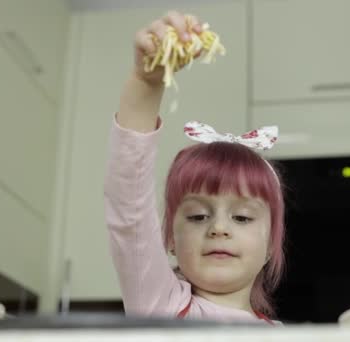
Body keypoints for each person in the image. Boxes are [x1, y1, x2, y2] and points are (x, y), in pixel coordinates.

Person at [104, 10, 286, 325]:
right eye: (198, 215)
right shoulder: (162, 306)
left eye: (242, 217)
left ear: (271, 245)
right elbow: (128, 206)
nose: (219, 228)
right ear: (170, 239)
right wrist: (146, 83)